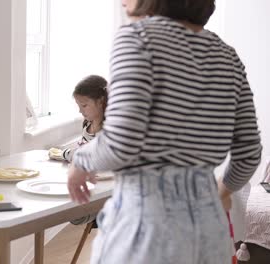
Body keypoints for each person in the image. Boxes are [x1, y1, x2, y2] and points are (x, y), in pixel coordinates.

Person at [67, 0, 262, 263]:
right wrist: (217, 195)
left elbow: (121, 143)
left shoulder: (137, 39)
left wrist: (80, 160)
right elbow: (249, 154)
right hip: (210, 232)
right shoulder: (228, 55)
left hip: (146, 229)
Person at [50, 75, 108, 163]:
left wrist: (66, 154)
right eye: (79, 106)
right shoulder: (87, 125)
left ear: (100, 101)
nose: (80, 110)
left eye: (84, 106)